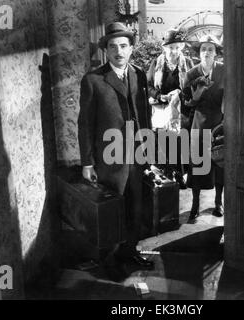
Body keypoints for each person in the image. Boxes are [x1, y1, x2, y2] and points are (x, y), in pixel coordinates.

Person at [78, 22, 154, 270]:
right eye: (113, 47)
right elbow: (85, 125)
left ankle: (129, 251)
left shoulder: (139, 74)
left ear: (131, 48)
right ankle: (105, 260)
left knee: (135, 207)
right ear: (106, 51)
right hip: (109, 159)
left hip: (137, 156)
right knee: (111, 210)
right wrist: (87, 162)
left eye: (123, 46)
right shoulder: (93, 80)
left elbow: (145, 114)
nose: (118, 51)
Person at [183, 35, 225, 221]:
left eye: (210, 49)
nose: (206, 52)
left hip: (220, 124)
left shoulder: (224, 71)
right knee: (198, 166)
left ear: (216, 53)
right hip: (199, 125)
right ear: (199, 53)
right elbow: (186, 103)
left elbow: (231, 95)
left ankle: (218, 202)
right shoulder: (192, 73)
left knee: (220, 164)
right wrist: (197, 94)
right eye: (203, 49)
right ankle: (195, 205)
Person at [147, 28, 193, 188]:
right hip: (161, 109)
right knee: (164, 143)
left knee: (179, 143)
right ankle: (168, 174)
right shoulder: (157, 63)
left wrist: (180, 92)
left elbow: (193, 86)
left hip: (180, 111)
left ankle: (179, 174)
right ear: (165, 48)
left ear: (180, 47)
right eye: (170, 47)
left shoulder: (187, 63)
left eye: (176, 47)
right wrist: (160, 96)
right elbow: (148, 86)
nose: (173, 51)